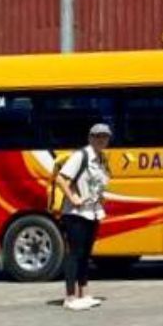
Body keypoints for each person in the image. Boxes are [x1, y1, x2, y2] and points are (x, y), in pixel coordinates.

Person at [56, 123, 112, 311]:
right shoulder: (82, 155)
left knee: (86, 254)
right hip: (75, 213)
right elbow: (61, 178)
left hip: (93, 212)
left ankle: (84, 293)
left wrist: (101, 198)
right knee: (75, 254)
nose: (101, 140)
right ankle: (70, 297)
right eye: (97, 136)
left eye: (104, 136)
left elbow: (98, 184)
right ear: (90, 138)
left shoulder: (102, 159)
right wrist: (73, 198)